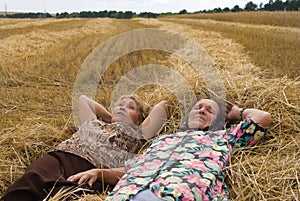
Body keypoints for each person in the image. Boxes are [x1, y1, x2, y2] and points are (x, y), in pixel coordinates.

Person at [1, 94, 169, 201]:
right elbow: (84, 99)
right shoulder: (93, 123)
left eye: (130, 107)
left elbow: (164, 105)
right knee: (30, 181)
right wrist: (112, 118)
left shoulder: (138, 133)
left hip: (90, 170)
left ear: (139, 120)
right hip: (61, 157)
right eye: (119, 104)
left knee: (67, 196)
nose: (123, 107)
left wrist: (126, 121)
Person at [104, 97, 271, 201]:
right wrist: (99, 173)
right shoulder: (164, 139)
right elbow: (134, 168)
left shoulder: (223, 138)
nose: (202, 111)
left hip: (177, 195)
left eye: (210, 110)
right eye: (198, 107)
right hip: (126, 194)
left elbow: (262, 118)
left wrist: (237, 112)